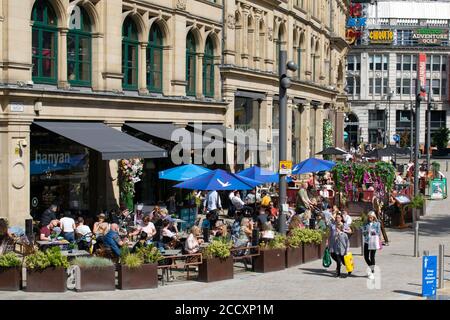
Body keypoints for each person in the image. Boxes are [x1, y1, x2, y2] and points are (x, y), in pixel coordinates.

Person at [362, 211, 381, 280]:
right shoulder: (365, 224)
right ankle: (372, 268)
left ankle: (372, 272)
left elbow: (378, 233)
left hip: (373, 242)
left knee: (372, 257)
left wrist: (373, 231)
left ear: (373, 217)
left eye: (371, 217)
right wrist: (367, 231)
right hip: (367, 241)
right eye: (369, 217)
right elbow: (363, 232)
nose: (370, 218)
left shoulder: (377, 224)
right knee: (366, 257)